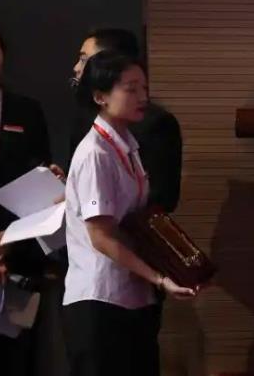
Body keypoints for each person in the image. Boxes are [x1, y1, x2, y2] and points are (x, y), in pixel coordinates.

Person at [63, 50, 198, 376]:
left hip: (133, 294)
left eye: (144, 88)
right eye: (131, 89)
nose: (143, 97)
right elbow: (101, 237)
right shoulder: (94, 153)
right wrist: (159, 278)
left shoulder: (127, 144)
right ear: (100, 97)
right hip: (100, 298)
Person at [0, 18, 57, 375]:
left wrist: (10, 242)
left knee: (19, 361)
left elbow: (42, 186)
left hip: (20, 258)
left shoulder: (27, 111)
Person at [70, 29, 182, 213]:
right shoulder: (91, 140)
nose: (77, 68)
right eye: (132, 90)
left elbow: (163, 195)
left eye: (84, 59)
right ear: (100, 97)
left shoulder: (154, 125)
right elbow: (95, 214)